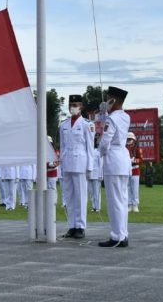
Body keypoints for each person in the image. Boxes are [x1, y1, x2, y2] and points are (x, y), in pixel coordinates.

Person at [98, 86, 131, 248]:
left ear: (113, 100)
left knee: (114, 202)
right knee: (122, 200)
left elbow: (105, 142)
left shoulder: (112, 119)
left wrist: (100, 152)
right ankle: (122, 234)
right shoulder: (125, 117)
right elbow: (108, 123)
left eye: (108, 99)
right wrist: (104, 113)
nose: (106, 101)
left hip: (113, 160)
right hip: (123, 160)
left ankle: (117, 236)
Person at [59, 94, 96, 239]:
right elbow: (62, 146)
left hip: (81, 163)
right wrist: (61, 163)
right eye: (70, 105)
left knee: (80, 196)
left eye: (75, 105)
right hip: (67, 162)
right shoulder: (63, 124)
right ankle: (71, 226)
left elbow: (90, 147)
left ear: (81, 106)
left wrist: (90, 167)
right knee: (68, 196)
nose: (72, 108)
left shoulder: (87, 124)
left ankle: (80, 226)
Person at [125, 132, 142, 212]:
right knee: (128, 188)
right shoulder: (125, 148)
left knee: (135, 189)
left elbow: (141, 159)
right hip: (127, 170)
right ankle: (129, 204)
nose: (129, 140)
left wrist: (135, 160)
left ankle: (135, 204)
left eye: (130, 139)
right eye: (128, 139)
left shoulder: (137, 148)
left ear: (133, 140)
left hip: (135, 170)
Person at [88, 133, 102, 211]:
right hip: (90, 174)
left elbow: (101, 164)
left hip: (96, 174)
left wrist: (100, 175)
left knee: (96, 192)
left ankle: (98, 207)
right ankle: (93, 206)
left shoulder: (98, 152)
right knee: (91, 191)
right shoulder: (88, 151)